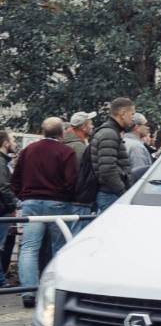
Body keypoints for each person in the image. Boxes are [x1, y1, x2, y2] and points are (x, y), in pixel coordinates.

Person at [11, 117, 78, 306]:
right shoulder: (66, 152)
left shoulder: (28, 150)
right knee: (59, 247)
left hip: (31, 202)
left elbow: (16, 179)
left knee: (29, 248)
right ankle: (55, 291)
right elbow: (71, 181)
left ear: (43, 131)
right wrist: (65, 195)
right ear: (62, 132)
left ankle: (29, 293)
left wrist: (24, 196)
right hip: (57, 203)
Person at [92, 98, 135, 212]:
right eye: (132, 114)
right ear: (123, 114)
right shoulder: (109, 134)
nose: (133, 118)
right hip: (111, 195)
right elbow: (107, 170)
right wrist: (123, 192)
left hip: (110, 194)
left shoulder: (109, 132)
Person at [0, 131, 18, 284]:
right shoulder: (1, 162)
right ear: (5, 143)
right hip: (3, 209)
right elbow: (3, 187)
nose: (15, 143)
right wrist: (14, 204)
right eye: (12, 140)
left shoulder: (4, 161)